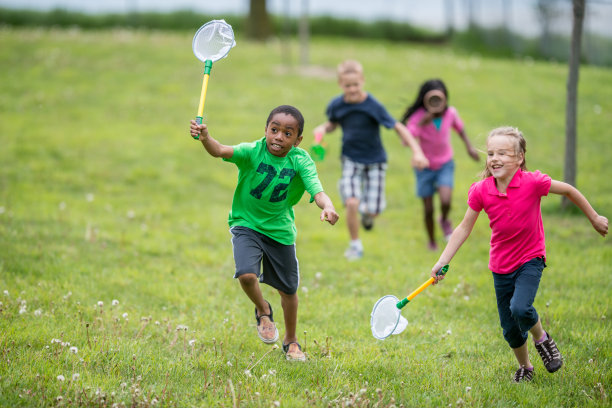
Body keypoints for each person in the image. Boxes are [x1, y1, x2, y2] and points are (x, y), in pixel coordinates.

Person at [430, 126, 608, 382]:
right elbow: (463, 228)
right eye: (491, 153)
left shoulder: (533, 183)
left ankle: (542, 339)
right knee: (510, 329)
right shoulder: (481, 190)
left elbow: (568, 189)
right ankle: (526, 368)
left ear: (520, 157)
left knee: (521, 308)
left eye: (502, 153)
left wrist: (593, 217)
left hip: (530, 259)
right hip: (500, 266)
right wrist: (442, 261)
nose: (494, 158)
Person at [189, 105, 339, 362]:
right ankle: (263, 309)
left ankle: (291, 341)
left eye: (287, 133)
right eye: (274, 130)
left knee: (289, 291)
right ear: (266, 130)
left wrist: (329, 206)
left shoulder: (301, 161)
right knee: (247, 275)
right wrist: (205, 138)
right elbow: (220, 150)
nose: (279, 137)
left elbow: (316, 190)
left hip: (279, 231)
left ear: (298, 140)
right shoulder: (252, 151)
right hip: (246, 223)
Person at [313, 60, 429, 261]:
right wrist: (323, 128)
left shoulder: (373, 106)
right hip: (350, 159)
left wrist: (417, 151)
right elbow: (333, 123)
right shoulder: (337, 105)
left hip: (375, 161)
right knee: (351, 203)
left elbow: (398, 127)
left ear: (362, 81)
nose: (352, 89)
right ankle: (355, 245)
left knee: (373, 210)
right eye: (348, 86)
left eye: (356, 85)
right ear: (341, 84)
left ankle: (368, 215)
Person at [401, 79, 480, 251]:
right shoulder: (418, 117)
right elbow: (405, 140)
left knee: (445, 200)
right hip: (424, 166)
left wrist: (469, 147)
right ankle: (431, 241)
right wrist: (422, 122)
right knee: (428, 208)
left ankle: (444, 220)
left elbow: (460, 129)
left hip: (445, 163)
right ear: (424, 99)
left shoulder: (450, 113)